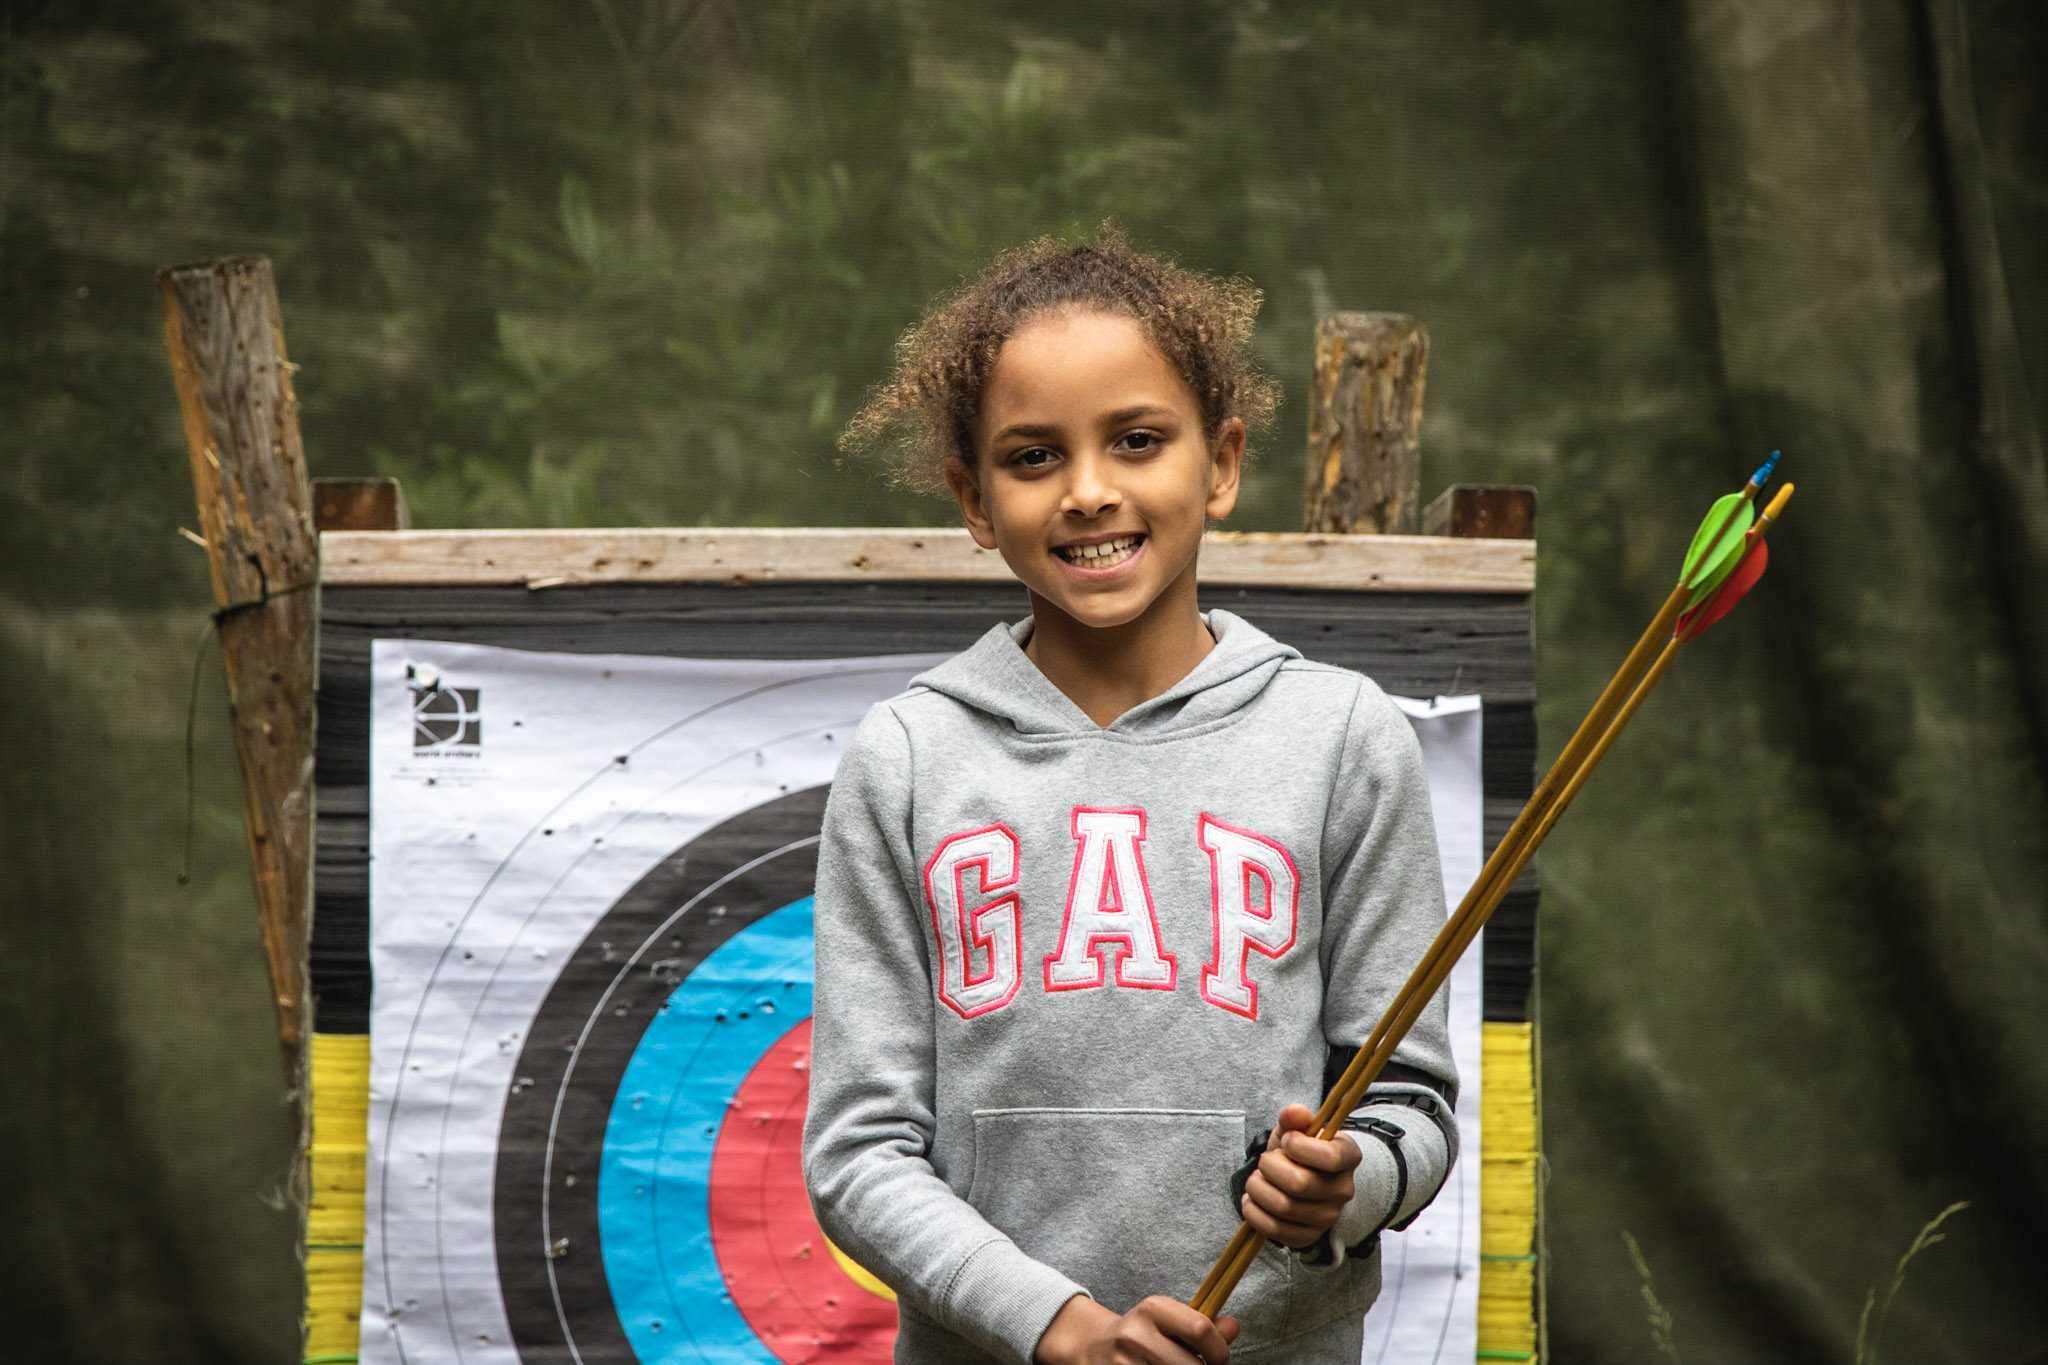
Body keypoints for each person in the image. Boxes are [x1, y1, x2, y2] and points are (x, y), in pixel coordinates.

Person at [803, 233, 1458, 1365]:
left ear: (1221, 462)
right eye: (1031, 457)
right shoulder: (907, 756)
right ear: (971, 497)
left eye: (1138, 440)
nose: (1089, 491)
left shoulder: (1342, 738)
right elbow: (859, 1154)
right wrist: (1055, 1327)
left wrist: (1340, 1192)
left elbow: (1409, 1104)